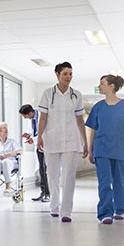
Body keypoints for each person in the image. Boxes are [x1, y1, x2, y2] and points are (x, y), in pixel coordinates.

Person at [36, 62, 88, 222]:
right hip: (51, 139)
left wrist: (85, 141)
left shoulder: (76, 95)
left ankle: (66, 211)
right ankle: (54, 206)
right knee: (52, 175)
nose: (69, 77)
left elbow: (80, 120)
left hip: (71, 140)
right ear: (57, 75)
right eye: (65, 74)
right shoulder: (47, 93)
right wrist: (39, 137)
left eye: (71, 74)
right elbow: (43, 117)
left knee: (69, 176)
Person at [85, 75, 124, 224]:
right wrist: (91, 150)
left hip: (120, 148)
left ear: (111, 86)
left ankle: (120, 209)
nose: (99, 86)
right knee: (104, 181)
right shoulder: (97, 107)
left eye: (102, 83)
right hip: (101, 149)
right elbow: (93, 130)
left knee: (120, 181)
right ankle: (105, 213)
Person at [19, 104, 50, 202]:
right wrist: (29, 135)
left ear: (31, 113)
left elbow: (45, 132)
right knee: (41, 169)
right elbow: (34, 132)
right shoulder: (31, 119)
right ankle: (43, 192)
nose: (25, 118)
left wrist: (33, 139)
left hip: (48, 145)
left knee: (47, 170)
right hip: (39, 146)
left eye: (25, 116)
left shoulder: (43, 115)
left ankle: (48, 194)